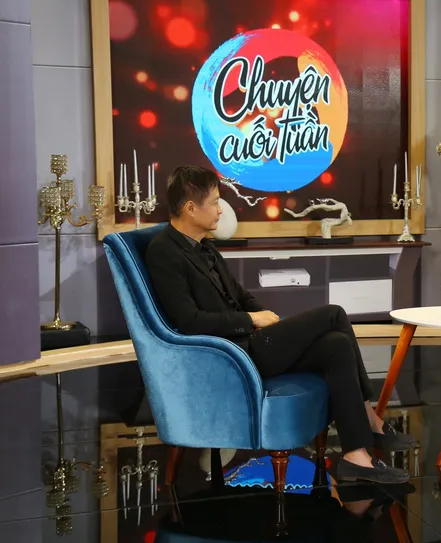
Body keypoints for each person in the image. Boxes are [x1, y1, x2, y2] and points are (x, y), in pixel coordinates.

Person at [145, 165, 416, 484]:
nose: (220, 210)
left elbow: (240, 295)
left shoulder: (204, 244)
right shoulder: (164, 252)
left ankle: (356, 455)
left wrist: (262, 315)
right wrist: (251, 320)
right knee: (334, 314)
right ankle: (370, 419)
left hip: (250, 340)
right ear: (191, 208)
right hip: (232, 355)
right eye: (215, 202)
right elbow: (188, 322)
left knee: (337, 345)